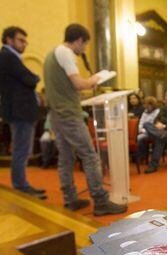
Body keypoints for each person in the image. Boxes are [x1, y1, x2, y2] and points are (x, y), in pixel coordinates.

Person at [43, 23, 126, 215]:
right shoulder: (66, 53)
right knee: (90, 156)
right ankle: (101, 201)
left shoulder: (50, 55)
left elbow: (63, 87)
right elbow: (79, 84)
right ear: (79, 40)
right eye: (85, 44)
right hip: (69, 114)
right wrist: (95, 80)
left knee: (65, 158)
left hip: (55, 114)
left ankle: (70, 199)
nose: (84, 49)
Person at [0, 26, 46, 199]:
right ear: (9, 40)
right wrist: (33, 78)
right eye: (21, 40)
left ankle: (22, 185)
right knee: (21, 150)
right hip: (20, 111)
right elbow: (30, 78)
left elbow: (27, 78)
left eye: (25, 40)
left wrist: (31, 79)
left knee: (22, 150)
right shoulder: (7, 56)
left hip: (20, 111)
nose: (25, 43)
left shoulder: (11, 57)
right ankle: (21, 187)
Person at [136, 96, 160, 161]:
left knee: (139, 138)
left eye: (147, 104)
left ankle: (141, 157)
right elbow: (141, 123)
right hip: (143, 131)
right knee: (138, 138)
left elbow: (153, 124)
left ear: (152, 104)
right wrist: (141, 129)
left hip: (153, 132)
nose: (145, 106)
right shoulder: (145, 112)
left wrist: (143, 131)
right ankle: (140, 156)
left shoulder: (157, 112)